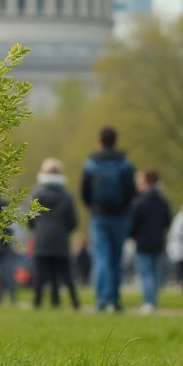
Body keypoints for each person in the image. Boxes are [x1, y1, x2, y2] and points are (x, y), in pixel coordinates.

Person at [80, 126, 137, 312]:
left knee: (101, 257)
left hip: (99, 216)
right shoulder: (125, 164)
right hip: (120, 216)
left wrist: (93, 207)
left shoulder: (91, 164)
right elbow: (131, 191)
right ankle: (114, 299)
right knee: (116, 258)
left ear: (99, 140)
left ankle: (102, 300)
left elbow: (84, 192)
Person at [28, 159, 80, 310]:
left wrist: (38, 229)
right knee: (65, 275)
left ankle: (37, 303)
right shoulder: (67, 196)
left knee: (40, 275)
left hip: (42, 239)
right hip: (61, 239)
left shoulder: (36, 194)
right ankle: (73, 303)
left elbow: (31, 219)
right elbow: (73, 221)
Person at [128, 168, 172, 313]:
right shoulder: (162, 200)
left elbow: (133, 221)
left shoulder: (140, 201)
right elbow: (167, 220)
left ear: (146, 182)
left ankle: (149, 301)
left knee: (145, 273)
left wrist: (132, 235)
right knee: (155, 273)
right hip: (158, 241)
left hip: (143, 241)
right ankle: (153, 300)